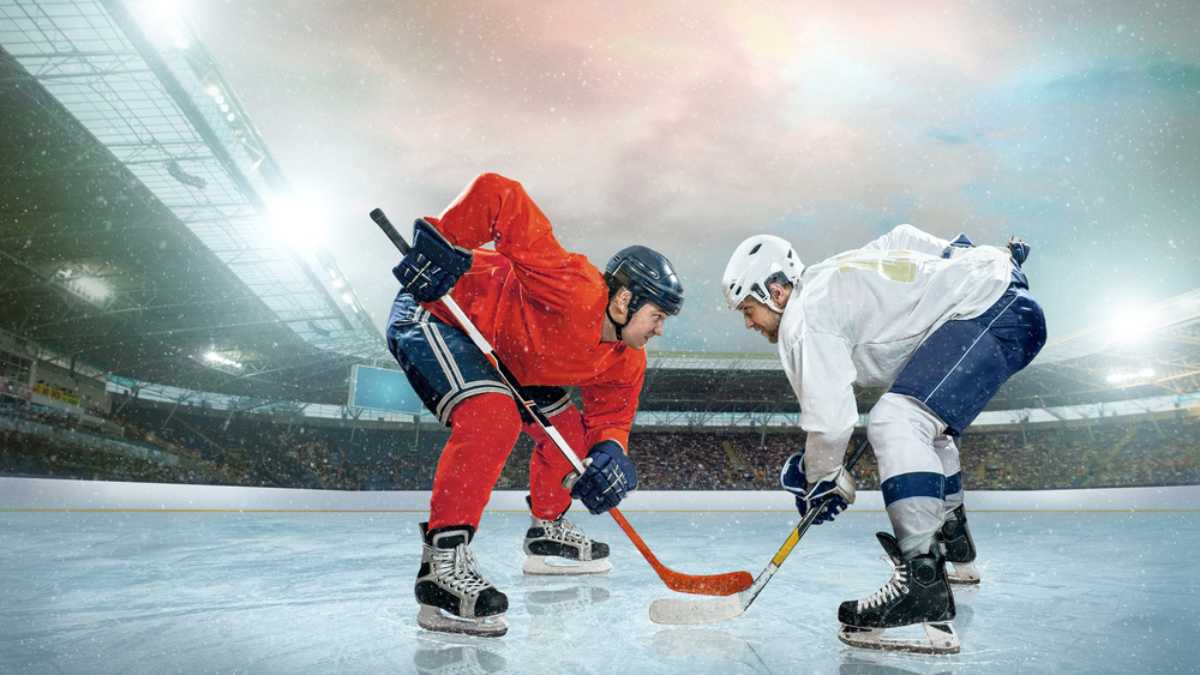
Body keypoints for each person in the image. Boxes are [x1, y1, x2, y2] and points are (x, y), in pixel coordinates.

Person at [721, 224, 1045, 654]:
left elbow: (832, 422)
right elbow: (901, 238)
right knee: (930, 429)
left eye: (747, 308)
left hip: (993, 311)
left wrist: (819, 477)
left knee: (897, 420)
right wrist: (963, 253)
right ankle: (954, 548)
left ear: (776, 291)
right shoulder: (834, 273)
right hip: (1004, 302)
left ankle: (922, 584)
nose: (748, 322)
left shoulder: (805, 315)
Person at [386, 172, 684, 637]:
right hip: (440, 314)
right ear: (625, 299)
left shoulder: (627, 359)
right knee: (492, 416)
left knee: (572, 436)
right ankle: (441, 565)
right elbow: (498, 194)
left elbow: (612, 418)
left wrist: (609, 453)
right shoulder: (575, 288)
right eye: (657, 316)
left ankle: (546, 530)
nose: (660, 328)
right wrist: (444, 243)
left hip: (517, 358)